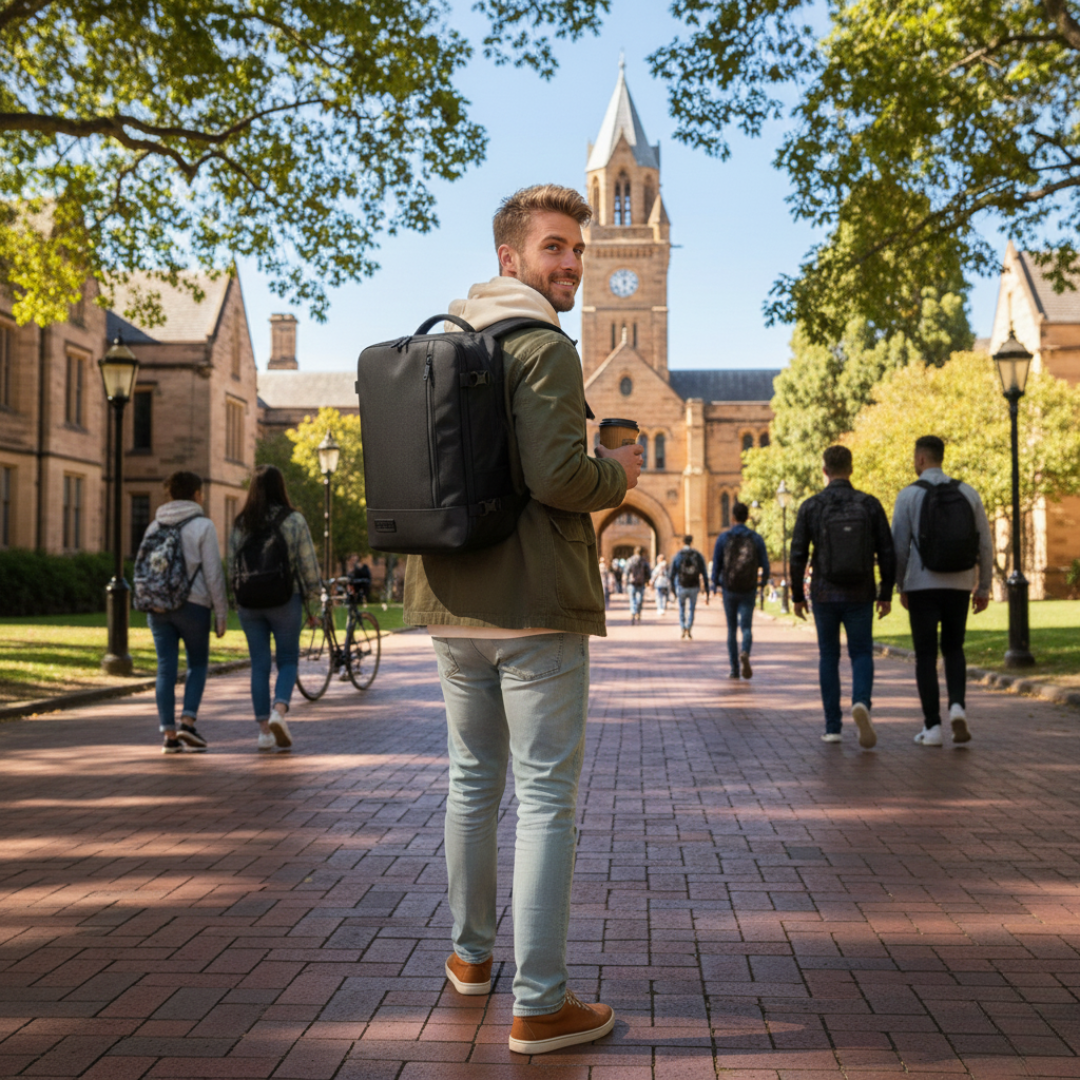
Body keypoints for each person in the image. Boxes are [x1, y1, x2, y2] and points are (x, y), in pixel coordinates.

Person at [404, 185, 641, 1055]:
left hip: (450, 604)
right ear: (512, 259)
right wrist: (615, 469)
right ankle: (542, 1003)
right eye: (553, 248)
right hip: (531, 605)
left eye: (576, 249)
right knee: (544, 799)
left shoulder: (451, 337)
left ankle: (470, 960)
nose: (571, 263)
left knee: (472, 784)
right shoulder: (540, 344)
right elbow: (556, 480)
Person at [790, 446, 896, 748]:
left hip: (824, 592)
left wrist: (797, 595)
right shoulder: (869, 504)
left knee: (829, 656)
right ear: (851, 469)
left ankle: (833, 727)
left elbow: (798, 554)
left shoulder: (812, 506)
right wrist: (886, 591)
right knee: (861, 653)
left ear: (824, 470)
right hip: (861, 591)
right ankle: (861, 701)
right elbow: (886, 550)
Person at [891, 435, 993, 746]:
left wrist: (899, 585)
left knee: (925, 655)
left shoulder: (908, 496)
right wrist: (984, 586)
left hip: (922, 585)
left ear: (920, 459)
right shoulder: (967, 492)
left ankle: (933, 728)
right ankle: (958, 706)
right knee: (954, 647)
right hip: (960, 584)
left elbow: (899, 547)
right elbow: (985, 544)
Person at [228, 465, 321, 752]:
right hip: (285, 599)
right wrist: (314, 605)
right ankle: (279, 710)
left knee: (259, 665)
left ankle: (264, 733)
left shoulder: (241, 523)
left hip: (250, 603)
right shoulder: (293, 520)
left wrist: (236, 600)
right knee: (288, 660)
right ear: (281, 487)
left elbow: (232, 566)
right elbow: (308, 565)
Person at [141, 471, 228, 754]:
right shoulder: (203, 525)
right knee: (197, 665)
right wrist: (221, 613)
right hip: (194, 605)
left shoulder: (154, 525)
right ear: (196, 494)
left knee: (165, 667)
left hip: (157, 605)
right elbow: (214, 573)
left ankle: (168, 734)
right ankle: (187, 723)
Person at [711, 503, 770, 678]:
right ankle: (745, 651)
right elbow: (765, 565)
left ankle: (734, 669)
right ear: (747, 517)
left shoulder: (723, 538)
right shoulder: (755, 538)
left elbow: (717, 564)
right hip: (748, 588)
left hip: (729, 589)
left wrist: (715, 584)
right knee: (746, 627)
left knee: (731, 628)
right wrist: (763, 582)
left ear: (733, 518)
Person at [670, 535, 709, 639]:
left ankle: (683, 627)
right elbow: (704, 573)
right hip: (694, 585)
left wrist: (673, 590)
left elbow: (672, 574)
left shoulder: (678, 555)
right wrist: (707, 591)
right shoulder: (697, 555)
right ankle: (689, 627)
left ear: (682, 542)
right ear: (691, 542)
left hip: (681, 585)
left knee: (682, 608)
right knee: (692, 608)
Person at [624, 546, 650, 624]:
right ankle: (638, 612)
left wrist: (626, 580)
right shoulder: (644, 561)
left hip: (631, 583)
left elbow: (626, 572)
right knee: (640, 599)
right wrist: (647, 580)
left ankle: (633, 612)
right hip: (641, 583)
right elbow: (648, 572)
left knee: (632, 599)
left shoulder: (630, 560)